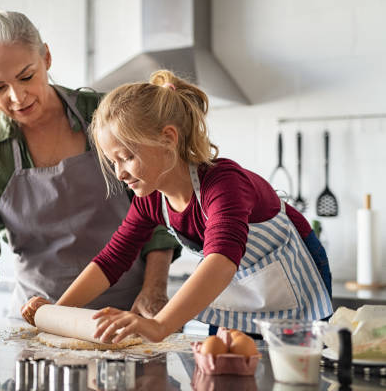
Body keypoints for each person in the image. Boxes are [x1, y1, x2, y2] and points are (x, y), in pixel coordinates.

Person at [23, 69, 333, 343]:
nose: (119, 173)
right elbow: (112, 259)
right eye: (112, 161)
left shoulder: (223, 183)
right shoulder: (152, 200)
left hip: (290, 280)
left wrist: (159, 325)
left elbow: (222, 260)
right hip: (237, 287)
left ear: (168, 138)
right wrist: (57, 311)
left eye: (127, 157)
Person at [0, 5, 180, 338]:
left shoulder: (105, 117)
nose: (17, 96)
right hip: (38, 326)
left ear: (47, 58)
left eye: (26, 76)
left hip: (127, 320)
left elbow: (160, 206)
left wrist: (155, 290)